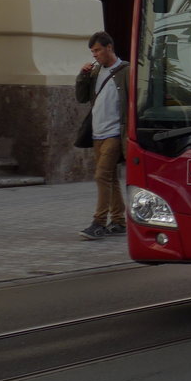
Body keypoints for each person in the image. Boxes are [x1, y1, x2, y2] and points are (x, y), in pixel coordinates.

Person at [75, 31, 129, 240]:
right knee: (111, 178)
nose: (95, 55)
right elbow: (81, 98)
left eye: (97, 50)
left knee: (101, 176)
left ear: (109, 48)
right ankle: (118, 221)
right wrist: (83, 76)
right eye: (92, 51)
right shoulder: (96, 71)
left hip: (115, 133)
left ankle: (98, 222)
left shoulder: (126, 71)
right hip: (98, 133)